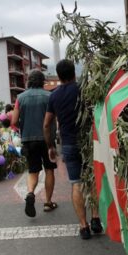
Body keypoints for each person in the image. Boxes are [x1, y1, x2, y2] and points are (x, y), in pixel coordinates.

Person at [43, 59, 103, 239]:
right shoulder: (85, 90)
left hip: (68, 143)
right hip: (89, 142)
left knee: (76, 183)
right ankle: (95, 218)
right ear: (74, 73)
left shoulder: (54, 96)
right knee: (92, 181)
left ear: (59, 76)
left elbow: (46, 124)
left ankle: (83, 227)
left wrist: (50, 146)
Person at [12, 70, 58, 217]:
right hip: (47, 140)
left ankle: (31, 193)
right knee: (49, 170)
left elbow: (13, 121)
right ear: (42, 81)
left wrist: (24, 128)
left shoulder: (20, 97)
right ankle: (48, 202)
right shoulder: (50, 96)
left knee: (33, 171)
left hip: (28, 139)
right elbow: (54, 119)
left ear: (29, 81)